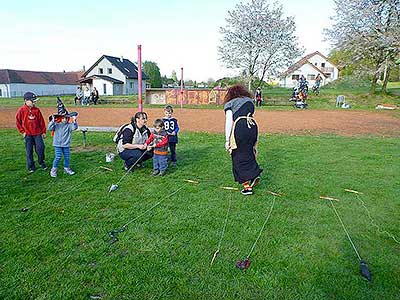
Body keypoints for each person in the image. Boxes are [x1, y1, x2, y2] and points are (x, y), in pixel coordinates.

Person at [224, 85, 263, 195]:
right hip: (252, 126)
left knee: (237, 155)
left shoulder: (230, 103)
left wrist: (227, 140)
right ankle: (255, 173)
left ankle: (247, 186)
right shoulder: (249, 101)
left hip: (240, 127)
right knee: (249, 152)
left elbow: (229, 121)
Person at [16, 92, 47, 173]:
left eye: (35, 101)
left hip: (37, 133)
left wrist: (43, 132)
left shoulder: (37, 110)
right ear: (26, 100)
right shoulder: (21, 110)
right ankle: (31, 166)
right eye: (32, 101)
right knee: (29, 151)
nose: (34, 102)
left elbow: (41, 122)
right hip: (28, 134)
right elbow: (18, 122)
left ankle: (41, 162)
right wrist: (23, 132)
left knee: (40, 148)